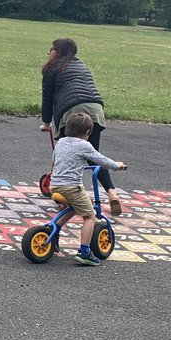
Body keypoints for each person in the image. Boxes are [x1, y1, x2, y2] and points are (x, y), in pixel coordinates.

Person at [39, 37, 122, 215]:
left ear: (58, 52)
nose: (49, 52)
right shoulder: (81, 65)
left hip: (72, 110)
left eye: (52, 49)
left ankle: (67, 193)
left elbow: (48, 98)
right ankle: (112, 192)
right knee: (93, 155)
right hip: (96, 109)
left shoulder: (52, 68)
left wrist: (46, 122)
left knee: (66, 151)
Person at [50, 111, 127, 265]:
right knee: (89, 216)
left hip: (54, 185)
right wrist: (116, 166)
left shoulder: (61, 142)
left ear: (67, 129)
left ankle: (55, 229)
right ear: (87, 133)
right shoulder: (84, 145)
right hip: (71, 188)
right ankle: (85, 251)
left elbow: (55, 159)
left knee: (73, 207)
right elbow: (101, 160)